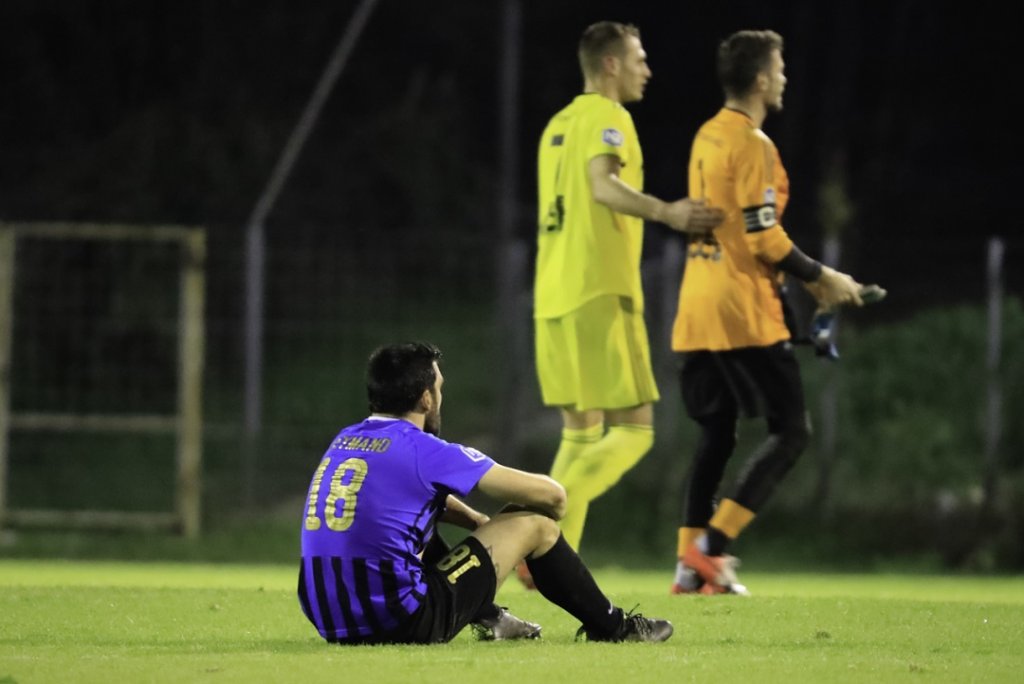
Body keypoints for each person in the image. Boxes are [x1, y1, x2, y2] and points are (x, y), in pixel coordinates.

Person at [668, 30, 873, 595]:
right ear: (760, 79)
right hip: (741, 309)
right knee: (791, 431)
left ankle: (689, 567)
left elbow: (728, 226)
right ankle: (712, 548)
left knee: (717, 433)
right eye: (779, 69)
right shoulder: (754, 143)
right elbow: (761, 236)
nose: (784, 78)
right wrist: (822, 277)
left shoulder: (707, 135)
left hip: (696, 306)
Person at [297, 342, 674, 644]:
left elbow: (405, 503)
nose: (440, 398)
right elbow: (555, 497)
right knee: (536, 523)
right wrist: (516, 525)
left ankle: (492, 618)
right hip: (398, 621)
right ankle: (614, 627)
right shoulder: (425, 450)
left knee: (413, 523)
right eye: (439, 389)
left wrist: (478, 523)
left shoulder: (347, 440)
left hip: (328, 617)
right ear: (426, 399)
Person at [530, 21, 724, 576]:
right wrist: (668, 212)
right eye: (639, 58)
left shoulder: (557, 125)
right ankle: (532, 521)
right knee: (636, 432)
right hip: (599, 291)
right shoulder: (609, 117)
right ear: (610, 65)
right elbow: (601, 186)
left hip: (552, 297)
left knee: (581, 431)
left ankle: (549, 560)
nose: (647, 68)